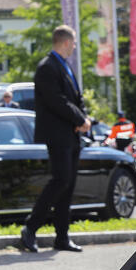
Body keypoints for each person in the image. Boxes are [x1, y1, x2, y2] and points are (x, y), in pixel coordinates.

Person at [19, 25, 88, 253]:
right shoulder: (47, 67)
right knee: (60, 180)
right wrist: (79, 119)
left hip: (71, 135)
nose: (75, 47)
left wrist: (84, 118)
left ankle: (62, 236)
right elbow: (56, 100)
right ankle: (30, 227)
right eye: (74, 43)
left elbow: (75, 98)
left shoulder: (64, 66)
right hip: (58, 135)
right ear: (66, 42)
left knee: (67, 185)